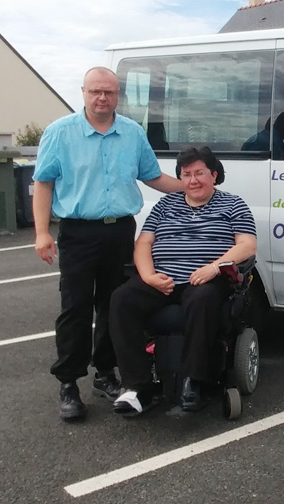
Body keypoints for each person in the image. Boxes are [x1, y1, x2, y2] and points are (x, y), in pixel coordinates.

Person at [33, 67, 184, 422]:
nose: (103, 98)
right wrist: (42, 233)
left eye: (110, 93)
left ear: (119, 96)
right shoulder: (60, 133)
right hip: (78, 233)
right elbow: (43, 184)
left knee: (113, 305)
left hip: (119, 232)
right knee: (76, 308)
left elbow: (153, 176)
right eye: (96, 92)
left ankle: (105, 373)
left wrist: (192, 187)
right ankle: (69, 383)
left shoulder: (132, 133)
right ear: (83, 92)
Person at [109, 146, 257, 417]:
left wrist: (213, 268)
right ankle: (136, 386)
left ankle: (193, 382)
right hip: (162, 279)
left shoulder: (233, 204)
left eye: (199, 173)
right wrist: (148, 276)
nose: (193, 180)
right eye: (186, 174)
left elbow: (247, 245)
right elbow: (144, 243)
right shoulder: (166, 205)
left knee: (202, 300)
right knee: (122, 299)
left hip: (205, 280)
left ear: (213, 175)